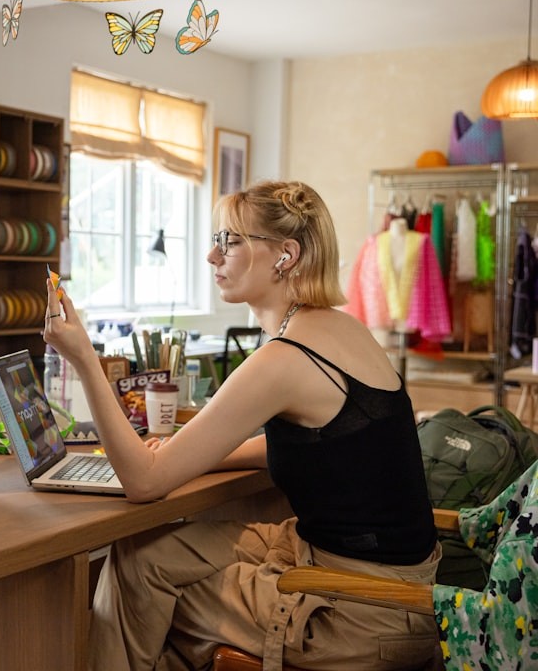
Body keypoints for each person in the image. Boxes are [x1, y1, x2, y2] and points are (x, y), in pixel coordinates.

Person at [42, 180, 440, 671]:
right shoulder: (338, 328)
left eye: (229, 241)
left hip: (363, 610)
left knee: (147, 592)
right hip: (394, 586)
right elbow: (322, 447)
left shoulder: (285, 358)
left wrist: (84, 358)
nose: (212, 255)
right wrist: (193, 454)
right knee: (139, 556)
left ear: (286, 256)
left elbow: (143, 484)